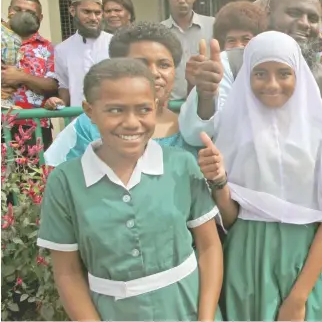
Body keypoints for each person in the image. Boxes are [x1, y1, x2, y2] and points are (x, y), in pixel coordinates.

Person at [37, 58, 222, 321]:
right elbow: (68, 273)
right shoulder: (66, 181)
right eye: (115, 110)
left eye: (143, 109)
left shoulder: (180, 164)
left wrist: (206, 317)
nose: (132, 122)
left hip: (188, 308)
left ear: (156, 107)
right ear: (89, 110)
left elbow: (209, 247)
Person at [196, 31, 322, 321]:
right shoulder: (233, 132)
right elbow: (231, 217)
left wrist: (299, 297)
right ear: (246, 76)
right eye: (260, 73)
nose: (272, 84)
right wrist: (218, 181)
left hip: (305, 264)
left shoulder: (321, 134)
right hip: (247, 263)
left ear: (300, 75)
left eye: (284, 73)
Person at [178, 0, 322, 148]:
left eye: (313, 18)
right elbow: (195, 135)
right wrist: (206, 98)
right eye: (294, 13)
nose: (305, 23)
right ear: (268, 17)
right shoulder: (231, 63)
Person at [45, 21, 198, 166]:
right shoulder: (88, 125)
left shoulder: (189, 130)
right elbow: (52, 174)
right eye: (140, 64)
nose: (154, 73)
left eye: (164, 65)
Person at [2, 0, 57, 145]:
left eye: (31, 13)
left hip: (34, 127)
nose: (24, 15)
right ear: (9, 11)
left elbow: (53, 86)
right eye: (18, 9)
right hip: (2, 122)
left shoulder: (48, 48)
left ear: (40, 18)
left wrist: (22, 77)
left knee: (37, 169)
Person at [52, 0, 113, 107]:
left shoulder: (114, 42)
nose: (93, 18)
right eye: (87, 12)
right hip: (78, 118)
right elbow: (64, 85)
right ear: (73, 11)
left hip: (112, 118)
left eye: (97, 13)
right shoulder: (62, 49)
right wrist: (60, 103)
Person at [161, 0, 215, 100]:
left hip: (205, 104)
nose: (182, 0)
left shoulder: (213, 26)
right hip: (171, 106)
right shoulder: (158, 32)